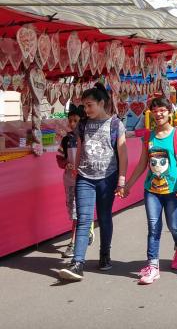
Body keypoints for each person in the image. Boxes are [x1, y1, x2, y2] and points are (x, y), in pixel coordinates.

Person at [58, 84, 128, 282]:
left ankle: (104, 254)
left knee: (104, 218)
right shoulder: (83, 125)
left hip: (108, 178)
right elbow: (80, 148)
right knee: (84, 219)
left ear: (101, 103)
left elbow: (123, 155)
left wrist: (121, 180)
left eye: (89, 105)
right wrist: (74, 167)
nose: (86, 110)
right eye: (84, 106)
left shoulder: (115, 124)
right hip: (84, 178)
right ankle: (77, 263)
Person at [121, 97, 177, 285]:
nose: (159, 114)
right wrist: (128, 185)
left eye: (162, 110)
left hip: (173, 190)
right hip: (151, 190)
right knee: (153, 226)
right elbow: (143, 163)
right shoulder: (148, 136)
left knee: (174, 225)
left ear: (169, 112)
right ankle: (153, 266)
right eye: (155, 111)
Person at [56, 104, 91, 259]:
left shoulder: (88, 139)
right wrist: (66, 164)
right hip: (69, 181)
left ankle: (73, 243)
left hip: (84, 181)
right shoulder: (66, 140)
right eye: (70, 120)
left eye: (75, 120)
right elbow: (59, 158)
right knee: (73, 212)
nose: (71, 123)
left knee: (77, 213)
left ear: (81, 121)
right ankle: (88, 228)